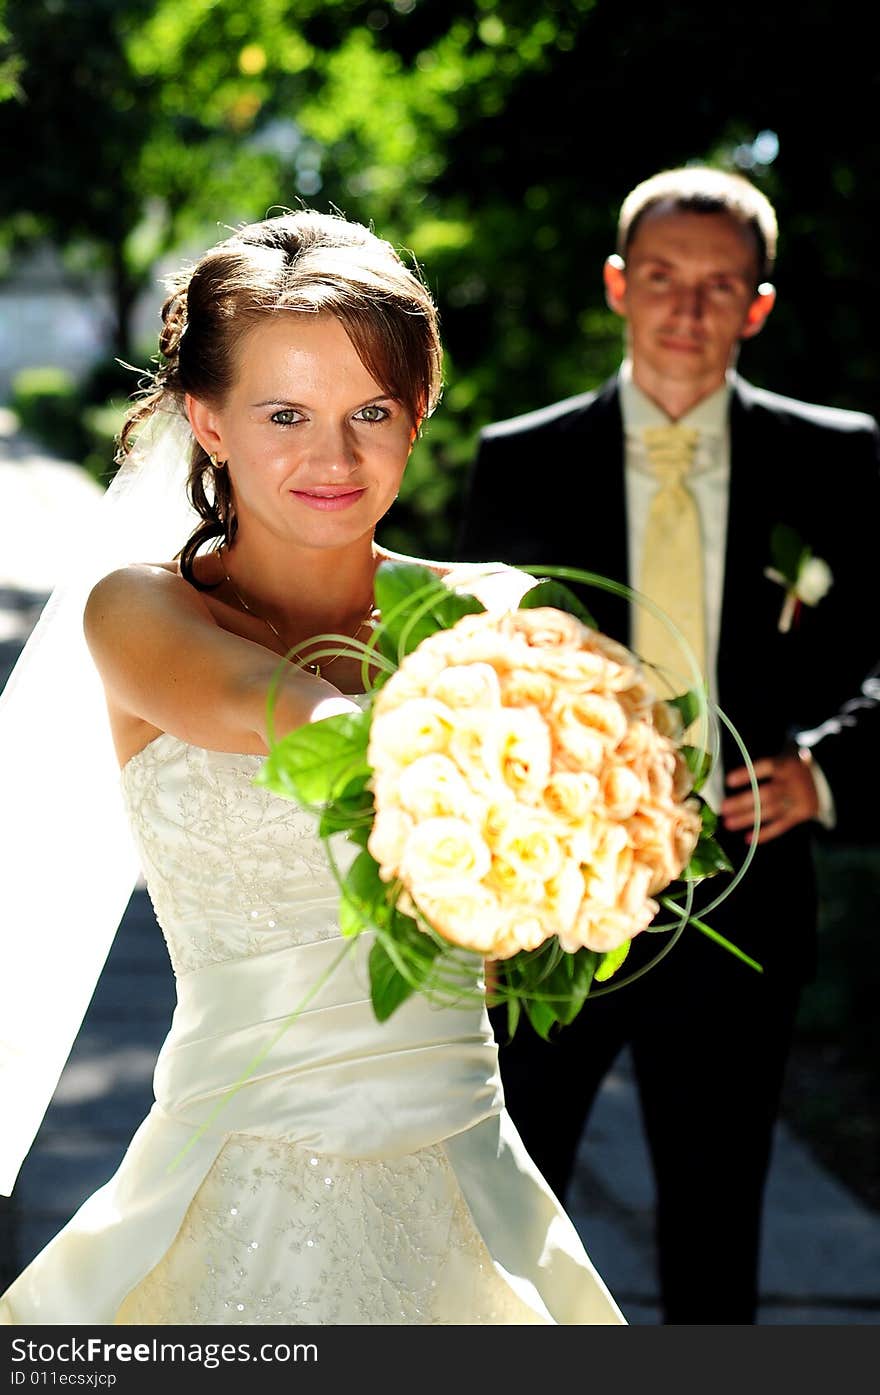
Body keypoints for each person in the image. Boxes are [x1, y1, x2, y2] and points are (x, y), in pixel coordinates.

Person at [0, 210, 624, 1325]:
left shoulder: (497, 609)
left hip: (466, 1177)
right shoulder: (138, 608)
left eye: (370, 413)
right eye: (284, 414)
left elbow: (532, 906)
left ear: (419, 411)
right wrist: (414, 731)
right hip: (227, 1184)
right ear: (207, 418)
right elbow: (270, 704)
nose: (333, 459)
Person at [456, 167, 880, 1324]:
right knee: (501, 1217)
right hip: (555, 910)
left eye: (718, 285)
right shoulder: (521, 456)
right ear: (615, 286)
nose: (685, 309)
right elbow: (485, 673)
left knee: (713, 1238)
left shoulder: (840, 456)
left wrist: (828, 771)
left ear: (757, 307)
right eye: (660, 279)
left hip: (745, 908)